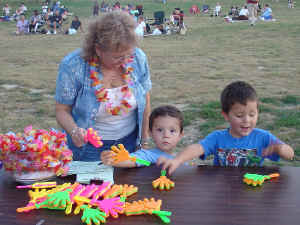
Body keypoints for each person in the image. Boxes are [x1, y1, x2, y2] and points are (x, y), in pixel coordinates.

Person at [55, 11, 151, 163]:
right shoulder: (73, 66)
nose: (125, 60)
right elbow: (62, 110)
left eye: (128, 54)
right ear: (98, 50)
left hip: (129, 143)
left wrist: (144, 141)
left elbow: (145, 102)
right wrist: (74, 131)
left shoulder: (138, 58)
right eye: (117, 56)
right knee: (92, 187)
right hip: (89, 148)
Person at [158, 81, 294, 175]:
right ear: (226, 116)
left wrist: (279, 148)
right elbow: (197, 148)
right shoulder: (218, 137)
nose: (247, 120)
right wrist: (177, 160)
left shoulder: (263, 137)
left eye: (252, 114)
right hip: (223, 189)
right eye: (239, 115)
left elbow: (290, 155)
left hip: (252, 188)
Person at [101, 105, 184, 167]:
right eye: (160, 130)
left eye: (172, 131)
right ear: (150, 133)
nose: (166, 135)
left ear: (180, 135)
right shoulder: (148, 158)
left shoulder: (182, 159)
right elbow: (134, 160)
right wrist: (115, 159)